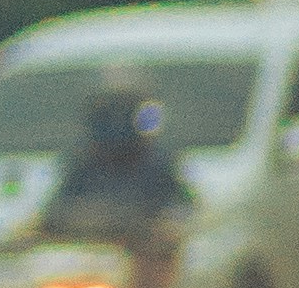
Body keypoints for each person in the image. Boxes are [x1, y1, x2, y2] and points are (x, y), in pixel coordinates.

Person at [49, 69, 195, 256]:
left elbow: (184, 209)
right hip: (92, 257)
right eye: (107, 111)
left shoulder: (159, 162)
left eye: (124, 109)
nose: (116, 120)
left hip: (142, 258)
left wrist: (167, 227)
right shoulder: (81, 163)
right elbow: (55, 210)